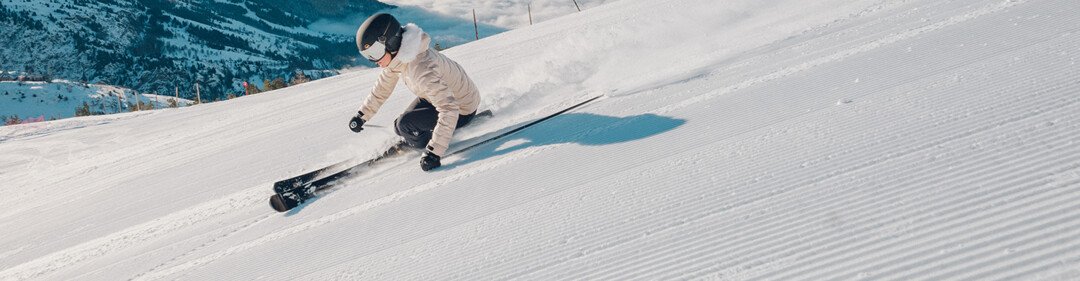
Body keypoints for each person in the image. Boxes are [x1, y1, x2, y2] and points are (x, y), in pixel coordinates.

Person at [348, 13, 482, 171]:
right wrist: (362, 115)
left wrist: (434, 152)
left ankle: (425, 143)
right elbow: (382, 88)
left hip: (462, 108)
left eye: (375, 53)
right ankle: (417, 136)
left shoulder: (420, 68)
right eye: (368, 56)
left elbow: (449, 108)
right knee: (399, 126)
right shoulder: (400, 57)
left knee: (405, 125)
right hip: (439, 97)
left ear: (390, 42)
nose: (374, 61)